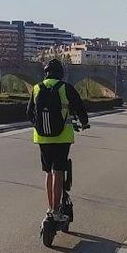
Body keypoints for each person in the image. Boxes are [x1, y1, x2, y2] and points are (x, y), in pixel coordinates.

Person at [27, 59, 89, 223]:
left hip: (42, 137)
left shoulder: (36, 88)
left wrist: (39, 125)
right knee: (58, 171)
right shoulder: (65, 88)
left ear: (46, 73)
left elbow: (29, 113)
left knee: (48, 172)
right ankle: (56, 211)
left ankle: (50, 208)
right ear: (60, 73)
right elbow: (79, 107)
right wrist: (84, 122)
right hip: (62, 137)